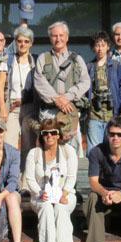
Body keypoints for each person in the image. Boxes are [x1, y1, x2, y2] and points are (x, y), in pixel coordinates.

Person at [23, 118, 78, 242]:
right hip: (40, 194)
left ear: (58, 135)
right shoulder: (34, 153)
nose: (49, 136)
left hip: (65, 193)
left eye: (53, 132)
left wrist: (64, 194)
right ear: (41, 135)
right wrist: (40, 193)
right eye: (45, 133)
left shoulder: (68, 151)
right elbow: (30, 179)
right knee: (46, 207)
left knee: (61, 208)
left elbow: (71, 177)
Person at [33, 21, 91, 154]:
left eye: (61, 35)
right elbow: (39, 82)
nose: (58, 39)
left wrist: (67, 97)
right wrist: (56, 99)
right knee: (47, 150)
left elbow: (85, 81)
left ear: (67, 37)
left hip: (69, 112)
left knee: (71, 152)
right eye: (54, 36)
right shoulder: (43, 58)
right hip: (48, 113)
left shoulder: (77, 59)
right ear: (50, 38)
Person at [0, 25, 36, 164]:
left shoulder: (35, 62)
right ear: (15, 42)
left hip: (30, 107)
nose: (22, 44)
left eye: (26, 41)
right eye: (19, 41)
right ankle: (11, 175)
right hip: (12, 108)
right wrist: (2, 107)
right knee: (9, 145)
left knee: (29, 145)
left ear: (31, 43)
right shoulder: (8, 60)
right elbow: (0, 86)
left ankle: (25, 176)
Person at [86, 31, 121, 152]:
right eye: (97, 45)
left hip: (112, 113)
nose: (100, 49)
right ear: (93, 47)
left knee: (112, 149)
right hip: (94, 114)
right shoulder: (89, 67)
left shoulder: (116, 66)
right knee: (94, 150)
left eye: (103, 45)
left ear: (108, 46)